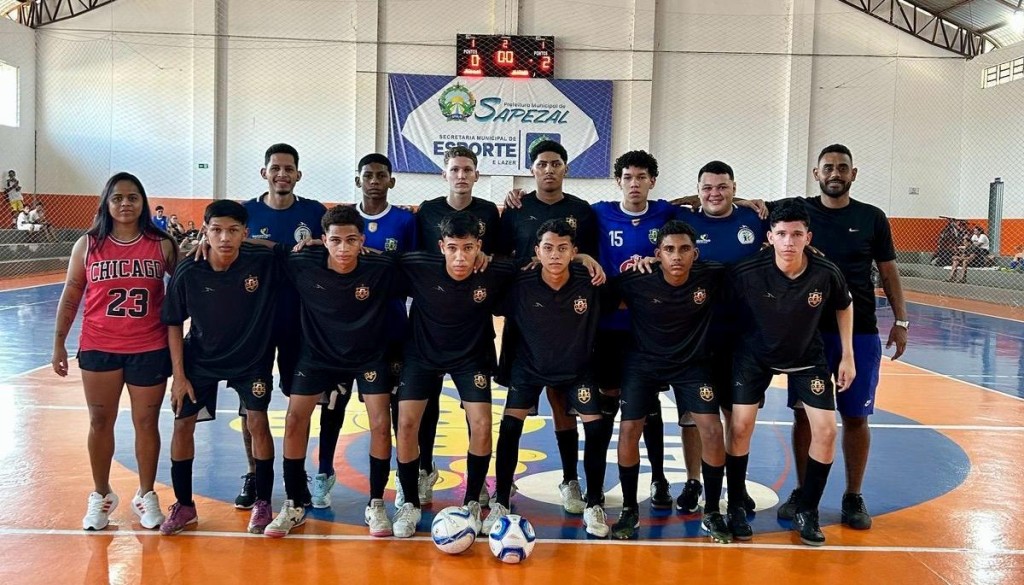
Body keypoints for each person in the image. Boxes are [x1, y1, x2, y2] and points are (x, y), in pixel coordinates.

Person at [769, 145, 907, 531]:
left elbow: (888, 271)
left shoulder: (871, 217)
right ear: (816, 173)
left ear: (853, 173)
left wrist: (902, 320)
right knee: (803, 413)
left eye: (842, 168)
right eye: (828, 167)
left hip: (859, 331)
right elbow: (745, 206)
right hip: (808, 331)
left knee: (856, 416)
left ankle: (853, 495)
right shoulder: (799, 209)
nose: (835, 173)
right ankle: (802, 492)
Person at [50, 172, 178, 531]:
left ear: (143, 202)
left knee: (146, 423)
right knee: (99, 421)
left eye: (132, 197)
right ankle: (101, 494)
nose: (125, 204)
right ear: (106, 203)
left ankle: (146, 493)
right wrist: (58, 342)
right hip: (99, 345)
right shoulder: (88, 244)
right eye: (117, 197)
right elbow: (71, 294)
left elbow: (186, 284)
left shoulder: (162, 244)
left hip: (149, 346)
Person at [264, 206, 402, 538]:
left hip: (368, 357)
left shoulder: (380, 267)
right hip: (318, 356)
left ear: (362, 241)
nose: (343, 248)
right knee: (295, 419)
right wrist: (208, 242)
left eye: (351, 240)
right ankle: (294, 503)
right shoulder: (303, 261)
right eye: (335, 240)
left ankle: (376, 503)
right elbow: (266, 247)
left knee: (380, 423)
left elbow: (421, 263)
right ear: (323, 240)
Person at [728, 201, 854, 546]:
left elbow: (845, 305)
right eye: (781, 234)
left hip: (806, 357)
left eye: (796, 234)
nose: (788, 241)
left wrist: (848, 356)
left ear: (807, 237)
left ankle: (807, 510)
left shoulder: (825, 271)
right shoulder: (747, 271)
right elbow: (722, 309)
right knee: (740, 426)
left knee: (827, 430)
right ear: (769, 237)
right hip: (754, 357)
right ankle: (736, 505)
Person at [159, 200, 282, 536]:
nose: (224, 238)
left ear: (245, 233)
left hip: (251, 359)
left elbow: (295, 251)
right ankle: (184, 505)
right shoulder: (189, 270)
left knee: (257, 422)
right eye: (216, 230)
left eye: (233, 231)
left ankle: (263, 501)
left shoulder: (262, 261)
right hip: (201, 359)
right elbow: (173, 323)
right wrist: (178, 377)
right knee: (182, 425)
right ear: (205, 231)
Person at [486, 219, 613, 537]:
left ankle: (593, 502)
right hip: (529, 366)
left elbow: (621, 302)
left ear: (574, 252)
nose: (555, 254)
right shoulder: (520, 282)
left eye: (562, 248)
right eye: (548, 248)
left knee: (595, 427)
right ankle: (501, 499)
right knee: (510, 426)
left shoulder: (591, 281)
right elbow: (491, 296)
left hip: (576, 368)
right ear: (537, 252)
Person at [391, 213, 515, 538]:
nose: (460, 257)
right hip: (422, 356)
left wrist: (582, 258)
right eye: (453, 248)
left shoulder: (494, 270)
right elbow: (374, 258)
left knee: (482, 423)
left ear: (479, 247)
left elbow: (538, 263)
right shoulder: (418, 264)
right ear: (441, 246)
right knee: (406, 423)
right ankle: (410, 502)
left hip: (470, 357)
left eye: (468, 248)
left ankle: (472, 501)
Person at [307, 153, 417, 511]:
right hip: (341, 334)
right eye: (368, 175)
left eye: (381, 175)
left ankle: (402, 480)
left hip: (389, 330)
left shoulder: (405, 221)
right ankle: (323, 473)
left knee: (393, 412)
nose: (374, 181)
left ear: (391, 181)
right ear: (358, 180)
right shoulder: (341, 221)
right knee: (332, 409)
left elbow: (414, 268)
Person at [497, 139, 601, 514]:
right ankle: (501, 488)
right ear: (532, 169)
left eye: (555, 163)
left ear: (565, 168)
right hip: (527, 317)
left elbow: (589, 256)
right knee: (518, 409)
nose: (549, 169)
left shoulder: (582, 211)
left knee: (563, 405)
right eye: (542, 164)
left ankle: (571, 480)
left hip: (568, 317)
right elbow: (500, 255)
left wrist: (583, 258)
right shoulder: (517, 208)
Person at [608, 220, 728, 541]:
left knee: (713, 429)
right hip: (644, 364)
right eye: (669, 250)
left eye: (684, 249)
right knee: (629, 429)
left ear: (695, 253)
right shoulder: (636, 280)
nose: (677, 256)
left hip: (692, 365)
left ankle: (712, 510)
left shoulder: (712, 275)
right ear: (657, 253)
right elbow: (598, 298)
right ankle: (629, 509)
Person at [587, 150, 689, 511]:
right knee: (607, 403)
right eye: (628, 177)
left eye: (641, 177)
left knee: (649, 407)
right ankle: (596, 486)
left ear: (652, 181)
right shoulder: (599, 213)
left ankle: (659, 478)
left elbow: (702, 203)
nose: (634, 183)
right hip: (608, 326)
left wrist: (744, 201)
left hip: (648, 328)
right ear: (618, 181)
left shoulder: (665, 213)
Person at [404, 145, 500, 507]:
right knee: (423, 407)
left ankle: (477, 487)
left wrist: (487, 257)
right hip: (431, 320)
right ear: (444, 174)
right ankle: (423, 469)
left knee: (478, 415)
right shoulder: (428, 211)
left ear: (476, 175)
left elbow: (503, 255)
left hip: (472, 325)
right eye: (454, 169)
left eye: (467, 169)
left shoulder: (489, 212)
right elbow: (414, 258)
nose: (461, 175)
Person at [237, 143, 327, 510]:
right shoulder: (246, 212)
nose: (282, 174)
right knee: (251, 405)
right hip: (255, 323)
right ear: (264, 173)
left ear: (298, 175)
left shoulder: (315, 213)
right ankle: (253, 473)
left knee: (300, 403)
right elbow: (225, 246)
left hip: (301, 322)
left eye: (289, 169)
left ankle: (296, 471)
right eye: (275, 168)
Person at [675, 161, 767, 516]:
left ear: (735, 188)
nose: (715, 193)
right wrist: (693, 199)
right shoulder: (686, 222)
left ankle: (735, 486)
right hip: (695, 334)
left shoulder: (755, 220)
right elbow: (662, 206)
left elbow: (789, 225)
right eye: (707, 188)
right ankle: (693, 481)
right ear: (698, 191)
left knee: (736, 415)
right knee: (693, 415)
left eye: (723, 187)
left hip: (744, 336)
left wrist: (744, 203)